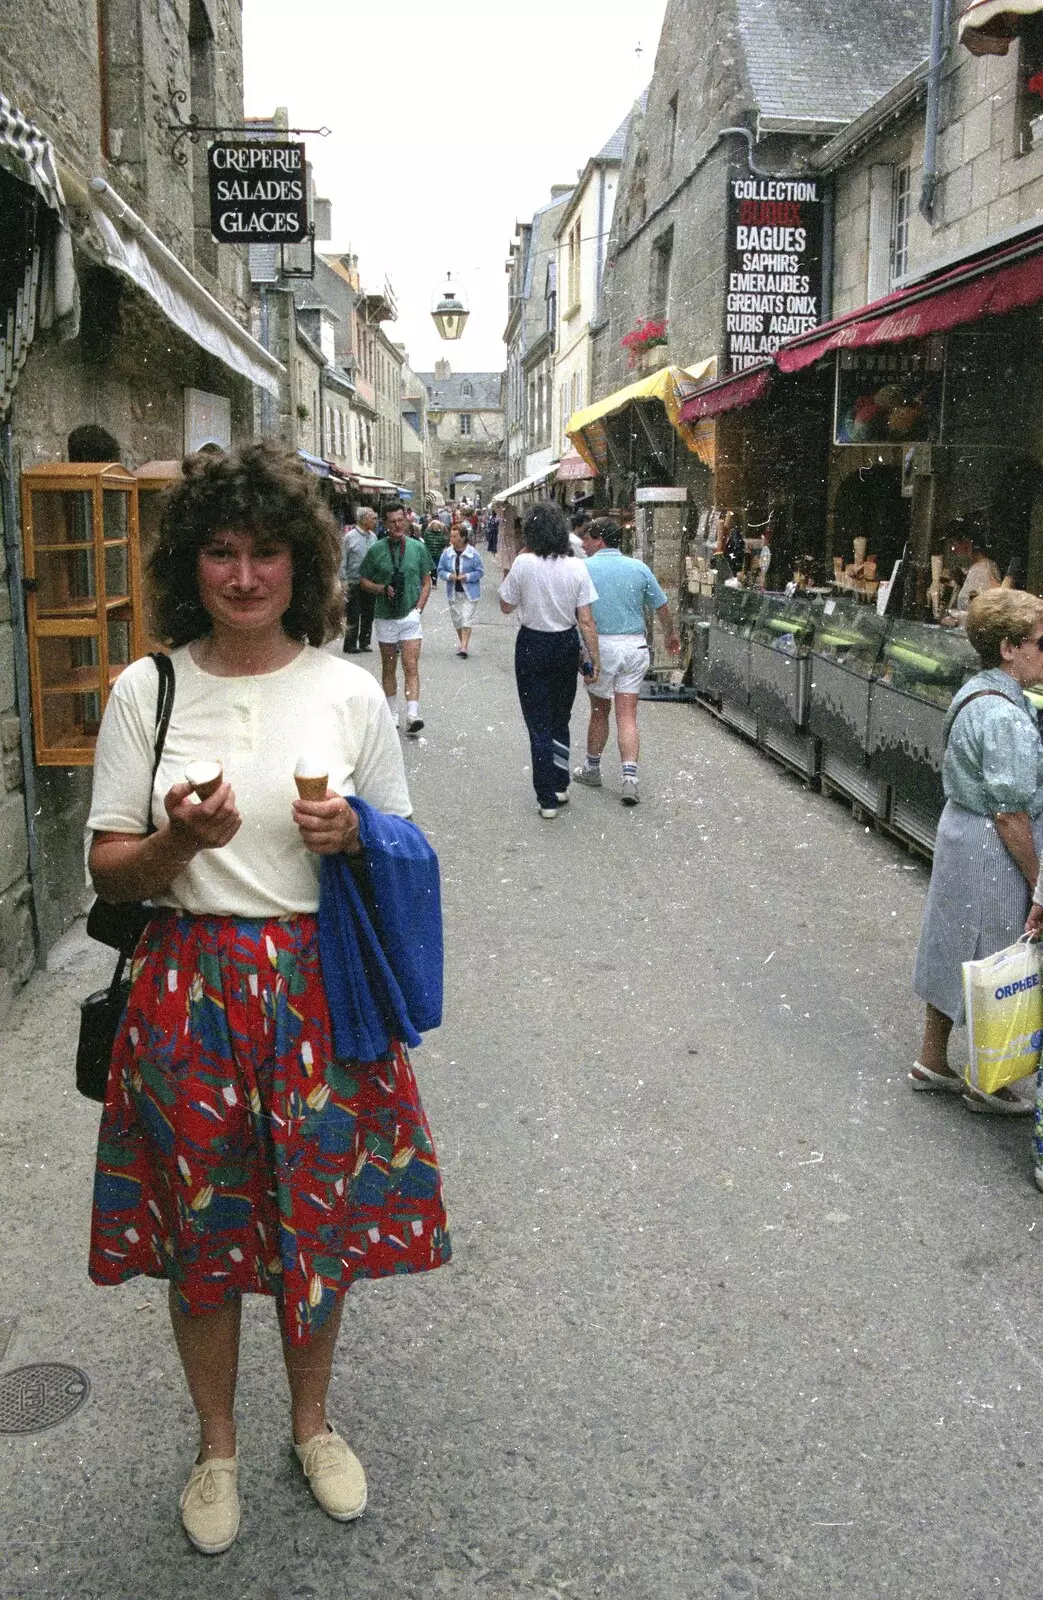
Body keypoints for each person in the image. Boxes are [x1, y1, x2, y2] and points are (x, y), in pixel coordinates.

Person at [85, 442, 450, 1554]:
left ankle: (312, 1424)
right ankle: (216, 1446)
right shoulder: (145, 689)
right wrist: (172, 844)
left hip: (314, 990)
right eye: (220, 553)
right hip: (187, 986)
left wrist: (355, 837)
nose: (244, 577)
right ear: (188, 566)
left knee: (313, 1219)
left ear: (305, 565)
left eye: (267, 554)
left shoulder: (346, 692)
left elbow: (410, 846)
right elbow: (108, 869)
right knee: (201, 1231)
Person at [910, 588, 1043, 1115]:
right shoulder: (1005, 716)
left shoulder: (977, 693)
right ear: (1009, 648)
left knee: (951, 944)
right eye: (1041, 642)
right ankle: (992, 1080)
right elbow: (1012, 813)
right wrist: (1038, 880)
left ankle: (932, 1059)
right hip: (995, 845)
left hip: (961, 831)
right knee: (1002, 956)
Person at [499, 501, 600, 819]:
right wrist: (592, 660)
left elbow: (505, 605)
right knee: (561, 718)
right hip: (565, 644)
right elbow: (586, 620)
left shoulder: (524, 563)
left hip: (531, 643)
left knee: (538, 723)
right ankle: (560, 782)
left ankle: (546, 799)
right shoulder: (577, 566)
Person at [572, 517, 681, 806]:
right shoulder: (639, 568)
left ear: (600, 540)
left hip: (602, 645)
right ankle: (629, 778)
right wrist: (670, 635)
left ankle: (593, 768)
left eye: (588, 538)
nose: (584, 544)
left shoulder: (584, 569)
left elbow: (579, 615)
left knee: (599, 710)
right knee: (627, 714)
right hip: (635, 646)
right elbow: (662, 606)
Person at [358, 501, 433, 735]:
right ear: (385, 524)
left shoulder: (417, 548)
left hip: (410, 616)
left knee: (410, 665)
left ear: (406, 521)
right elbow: (363, 580)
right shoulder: (376, 550)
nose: (398, 525)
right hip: (385, 617)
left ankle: (413, 715)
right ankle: (392, 714)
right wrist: (381, 588)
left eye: (401, 520)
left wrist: (418, 610)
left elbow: (426, 581)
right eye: (392, 522)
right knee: (389, 667)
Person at [437, 522, 485, 656]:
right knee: (457, 619)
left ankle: (464, 647)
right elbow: (440, 570)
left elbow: (480, 571)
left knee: (466, 618)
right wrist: (448, 575)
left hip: (470, 592)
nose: (451, 539)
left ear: (463, 538)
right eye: (450, 536)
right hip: (453, 592)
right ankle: (462, 643)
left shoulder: (473, 553)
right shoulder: (447, 553)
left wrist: (467, 576)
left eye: (454, 536)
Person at [943, 527, 1001, 624]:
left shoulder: (980, 570)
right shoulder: (983, 567)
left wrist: (955, 620)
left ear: (967, 545)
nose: (953, 552)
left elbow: (981, 614)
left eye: (954, 546)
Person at [341, 507, 377, 653]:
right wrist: (343, 580)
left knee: (368, 613)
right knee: (353, 614)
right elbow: (342, 559)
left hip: (370, 581)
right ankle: (350, 645)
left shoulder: (373, 537)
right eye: (372, 518)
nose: (375, 521)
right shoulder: (350, 537)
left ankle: (364, 642)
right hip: (354, 581)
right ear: (363, 519)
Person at [423, 516, 449, 587]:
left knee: (429, 567)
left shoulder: (427, 533)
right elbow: (443, 544)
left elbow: (425, 541)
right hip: (438, 554)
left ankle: (429, 579)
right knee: (435, 567)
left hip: (429, 554)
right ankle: (434, 582)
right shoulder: (441, 535)